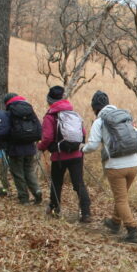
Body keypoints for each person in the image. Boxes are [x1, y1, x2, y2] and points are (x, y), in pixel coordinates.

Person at [82, 91, 137, 243]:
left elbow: (93, 145)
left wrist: (82, 148)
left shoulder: (99, 121)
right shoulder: (125, 116)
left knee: (120, 199)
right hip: (133, 163)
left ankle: (132, 230)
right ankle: (115, 222)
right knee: (122, 196)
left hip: (115, 166)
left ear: (95, 108)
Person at [38, 86, 92, 223]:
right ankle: (86, 213)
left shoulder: (50, 116)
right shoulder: (73, 113)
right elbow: (83, 133)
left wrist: (41, 147)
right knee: (79, 184)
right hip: (76, 154)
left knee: (56, 182)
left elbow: (47, 138)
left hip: (59, 156)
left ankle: (55, 208)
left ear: (49, 100)